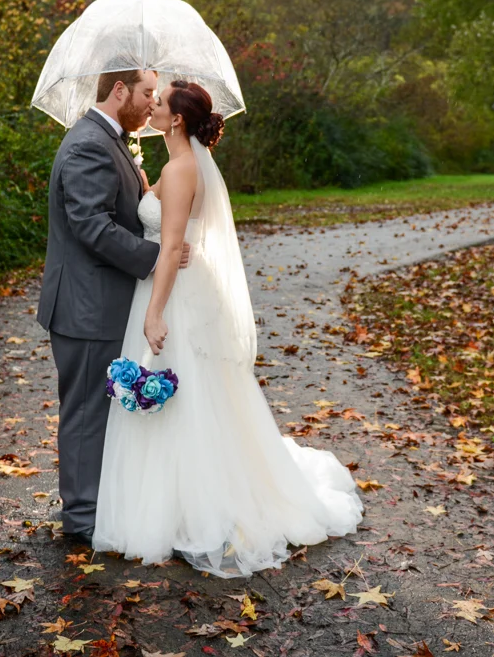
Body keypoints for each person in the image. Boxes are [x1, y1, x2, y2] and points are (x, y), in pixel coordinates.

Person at [94, 80, 363, 577]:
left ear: (176, 119)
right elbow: (170, 233)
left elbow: (172, 248)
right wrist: (143, 182)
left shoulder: (182, 170)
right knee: (191, 396)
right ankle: (173, 504)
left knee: (187, 397)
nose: (151, 101)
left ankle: (186, 511)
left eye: (161, 98)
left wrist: (155, 313)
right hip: (178, 287)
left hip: (173, 296)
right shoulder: (177, 168)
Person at [36, 68, 191, 546]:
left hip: (99, 303)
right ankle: (82, 519)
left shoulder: (110, 140)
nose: (151, 103)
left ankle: (97, 505)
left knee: (97, 410)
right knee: (84, 411)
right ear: (119, 90)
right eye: (146, 93)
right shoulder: (87, 144)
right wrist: (157, 256)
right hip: (85, 307)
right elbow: (91, 226)